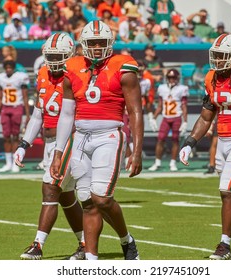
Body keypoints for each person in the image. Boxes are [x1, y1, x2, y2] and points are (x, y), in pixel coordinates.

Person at [50, 20, 143, 260]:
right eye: (93, 42)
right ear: (83, 44)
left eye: (102, 42)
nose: (98, 47)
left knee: (101, 197)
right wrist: (59, 152)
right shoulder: (72, 67)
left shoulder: (123, 66)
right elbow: (67, 113)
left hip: (109, 134)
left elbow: (135, 112)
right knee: (87, 200)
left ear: (111, 43)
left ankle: (126, 239)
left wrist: (137, 150)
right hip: (80, 137)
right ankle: (91, 256)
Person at [179, 33, 231, 260]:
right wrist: (190, 141)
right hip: (223, 140)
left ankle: (224, 244)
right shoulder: (212, 78)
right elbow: (206, 117)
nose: (217, 60)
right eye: (216, 55)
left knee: (226, 191)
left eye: (223, 56)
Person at [13, 33, 85, 260]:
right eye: (51, 56)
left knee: (50, 187)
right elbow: (37, 115)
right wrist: (24, 144)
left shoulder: (77, 74)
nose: (54, 61)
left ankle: (38, 245)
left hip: (70, 140)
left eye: (59, 56)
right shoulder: (43, 73)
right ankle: (85, 243)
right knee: (65, 196)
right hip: (49, 142)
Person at [148, 68, 188, 172]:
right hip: (166, 117)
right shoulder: (162, 88)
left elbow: (184, 106)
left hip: (176, 117)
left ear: (177, 78)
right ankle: (157, 162)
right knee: (160, 139)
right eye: (170, 77)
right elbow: (160, 106)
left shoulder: (182, 88)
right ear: (167, 78)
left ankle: (173, 162)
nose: (172, 79)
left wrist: (185, 121)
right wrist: (153, 118)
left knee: (175, 140)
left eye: (174, 77)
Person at [0, 60, 30, 173]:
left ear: (14, 68)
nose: (8, 69)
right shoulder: (1, 78)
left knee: (15, 136)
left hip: (16, 107)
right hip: (5, 108)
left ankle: (15, 162)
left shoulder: (20, 77)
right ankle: (8, 163)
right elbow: (0, 97)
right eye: (7, 67)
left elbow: (25, 96)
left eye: (10, 67)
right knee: (6, 137)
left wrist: (28, 114)